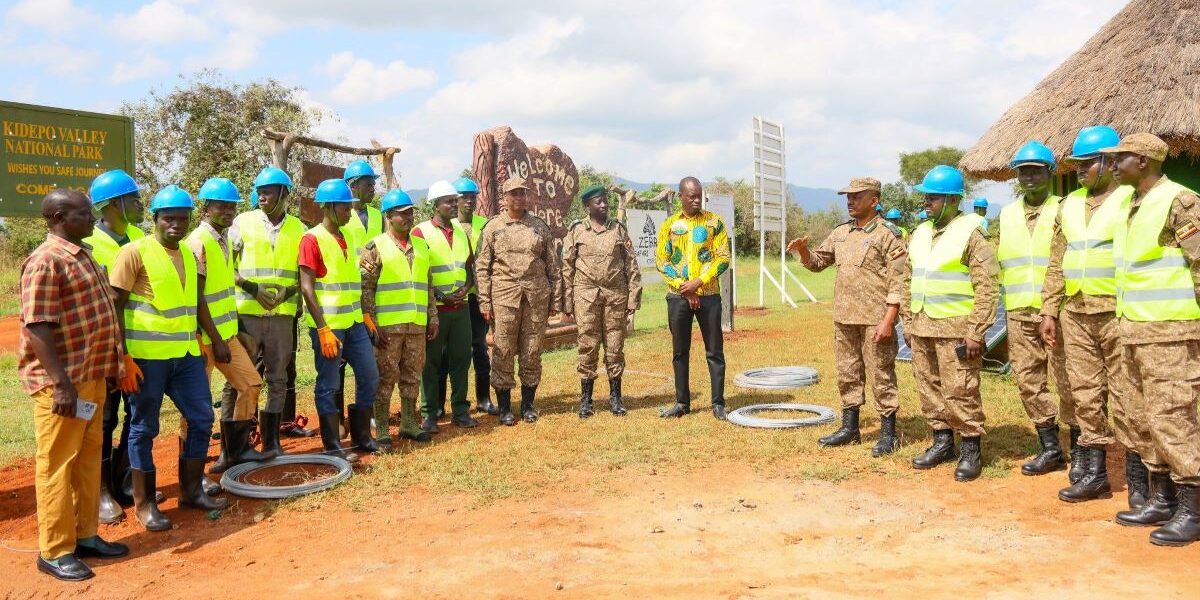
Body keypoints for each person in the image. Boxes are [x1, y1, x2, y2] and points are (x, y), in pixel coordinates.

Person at [21, 188, 130, 581]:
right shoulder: (45, 261)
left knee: (87, 461)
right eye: (84, 214)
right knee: (56, 465)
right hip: (63, 386)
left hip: (93, 377)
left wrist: (112, 367)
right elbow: (38, 327)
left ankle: (85, 535)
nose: (92, 218)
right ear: (59, 217)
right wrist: (61, 384)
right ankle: (54, 550)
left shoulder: (83, 255)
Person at [110, 185, 227, 532]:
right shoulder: (134, 252)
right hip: (146, 359)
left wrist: (214, 340)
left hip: (186, 355)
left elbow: (196, 302)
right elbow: (114, 305)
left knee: (202, 418)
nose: (176, 224)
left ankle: (191, 491)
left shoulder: (190, 255)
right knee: (143, 427)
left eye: (182, 218)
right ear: (155, 219)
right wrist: (122, 357)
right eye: (168, 218)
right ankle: (144, 505)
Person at [1102, 133, 1200, 546]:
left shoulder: (1180, 200)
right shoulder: (1128, 204)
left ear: (1141, 161)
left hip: (1171, 332)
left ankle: (1193, 507)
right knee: (1140, 417)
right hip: (1134, 330)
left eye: (1119, 158)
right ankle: (1162, 498)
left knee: (1173, 417)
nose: (1112, 165)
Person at [1041, 126, 1141, 504]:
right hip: (1077, 312)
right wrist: (1050, 309)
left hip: (1119, 310)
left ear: (1108, 161)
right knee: (1085, 395)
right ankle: (1096, 474)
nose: (1080, 170)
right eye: (1077, 164)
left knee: (1128, 394)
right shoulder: (1068, 205)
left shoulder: (1131, 200)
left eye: (1087, 163)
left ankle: (1138, 477)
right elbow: (1056, 262)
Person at [788, 177, 906, 455]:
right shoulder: (841, 233)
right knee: (847, 373)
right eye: (848, 197)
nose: (850, 201)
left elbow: (900, 279)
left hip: (875, 319)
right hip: (844, 317)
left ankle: (888, 433)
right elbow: (819, 263)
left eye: (856, 196)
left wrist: (890, 318)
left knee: (881, 375)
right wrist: (804, 251)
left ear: (874, 201)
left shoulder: (888, 234)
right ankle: (850, 428)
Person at [901, 165, 999, 482]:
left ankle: (971, 449)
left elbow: (987, 288)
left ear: (953, 200)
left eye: (933, 197)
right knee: (928, 387)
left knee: (961, 390)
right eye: (926, 196)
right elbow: (906, 279)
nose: (926, 202)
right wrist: (907, 321)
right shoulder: (919, 233)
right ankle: (942, 441)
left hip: (956, 329)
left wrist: (976, 332)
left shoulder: (972, 235)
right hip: (921, 325)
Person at [996, 141, 1076, 478]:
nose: (1029, 177)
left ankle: (1083, 450)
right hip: (1018, 309)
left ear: (1050, 173)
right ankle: (1050, 448)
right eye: (1023, 171)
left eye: (1036, 170)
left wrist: (1052, 308)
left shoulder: (1065, 208)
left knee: (1070, 379)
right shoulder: (1007, 213)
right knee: (1028, 380)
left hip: (1059, 309)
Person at [187, 178, 272, 473]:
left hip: (225, 334)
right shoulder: (198, 242)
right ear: (205, 207)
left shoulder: (224, 240)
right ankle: (192, 475)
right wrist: (217, 340)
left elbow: (222, 294)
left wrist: (236, 332)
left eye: (231, 206)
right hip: (202, 340)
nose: (227, 211)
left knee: (250, 383)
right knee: (195, 409)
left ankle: (237, 451)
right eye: (220, 205)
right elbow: (197, 298)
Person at [228, 166, 311, 453]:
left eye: (268, 192)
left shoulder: (299, 229)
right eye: (259, 192)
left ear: (284, 194)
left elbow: (305, 275)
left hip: (282, 317)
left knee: (278, 378)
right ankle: (234, 446)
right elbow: (225, 266)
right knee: (240, 379)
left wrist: (287, 292)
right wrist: (253, 288)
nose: (261, 196)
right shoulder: (242, 222)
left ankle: (272, 443)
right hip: (247, 315)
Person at [298, 178, 380, 460]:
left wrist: (365, 316)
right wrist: (322, 329)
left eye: (350, 207)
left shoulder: (348, 237)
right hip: (329, 327)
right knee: (329, 384)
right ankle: (333, 444)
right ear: (328, 207)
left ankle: (361, 438)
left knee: (369, 376)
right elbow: (307, 288)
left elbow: (352, 282)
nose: (349, 212)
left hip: (354, 323)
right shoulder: (311, 239)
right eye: (344, 208)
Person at [81, 169, 144, 523]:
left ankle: (124, 479)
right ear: (113, 205)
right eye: (133, 198)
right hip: (105, 348)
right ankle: (102, 491)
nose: (139, 203)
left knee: (135, 415)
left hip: (140, 343)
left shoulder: (139, 236)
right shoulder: (90, 243)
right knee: (105, 418)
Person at [476, 176, 561, 425]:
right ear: (505, 197)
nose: (519, 198)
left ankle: (528, 405)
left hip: (536, 297)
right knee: (502, 350)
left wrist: (555, 299)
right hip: (503, 297)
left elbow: (552, 266)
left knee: (532, 350)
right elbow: (482, 267)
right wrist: (484, 301)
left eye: (523, 193)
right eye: (514, 193)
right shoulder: (493, 227)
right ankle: (504, 408)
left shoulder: (539, 227)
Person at [361, 189, 438, 450]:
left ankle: (408, 423)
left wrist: (432, 317)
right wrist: (372, 325)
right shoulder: (375, 246)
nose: (408, 218)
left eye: (410, 213)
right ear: (388, 217)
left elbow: (428, 284)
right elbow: (366, 289)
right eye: (401, 214)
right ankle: (382, 428)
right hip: (387, 328)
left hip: (416, 324)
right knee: (385, 376)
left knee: (412, 375)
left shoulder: (421, 246)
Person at [561, 184, 642, 418]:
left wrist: (632, 301)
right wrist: (568, 302)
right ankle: (586, 400)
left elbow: (631, 266)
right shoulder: (576, 231)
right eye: (599, 201)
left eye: (605, 200)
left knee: (615, 347)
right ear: (588, 206)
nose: (604, 205)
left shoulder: (618, 230)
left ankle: (615, 397)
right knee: (587, 346)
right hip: (585, 297)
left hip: (615, 296)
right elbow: (566, 268)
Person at [655, 177, 732, 420]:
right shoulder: (669, 225)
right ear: (681, 196)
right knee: (680, 351)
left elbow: (722, 259)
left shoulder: (714, 223)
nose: (696, 199)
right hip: (678, 297)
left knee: (714, 351)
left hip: (708, 295)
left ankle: (718, 403)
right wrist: (684, 288)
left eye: (699, 195)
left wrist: (698, 284)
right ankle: (682, 403)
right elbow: (662, 261)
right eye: (691, 196)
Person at [412, 180, 476, 431]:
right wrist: (439, 294)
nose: (454, 204)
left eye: (455, 200)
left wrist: (466, 287)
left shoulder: (461, 232)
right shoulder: (420, 232)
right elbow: (419, 271)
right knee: (430, 363)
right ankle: (429, 414)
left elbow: (469, 268)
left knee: (461, 360)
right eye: (449, 201)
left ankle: (461, 410)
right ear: (435, 205)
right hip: (435, 310)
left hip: (460, 310)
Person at [446, 176, 496, 415]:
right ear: (454, 200)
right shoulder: (447, 225)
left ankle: (484, 398)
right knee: (454, 351)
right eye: (463, 197)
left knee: (479, 346)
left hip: (479, 296)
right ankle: (452, 401)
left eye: (472, 196)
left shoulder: (484, 224)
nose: (468, 201)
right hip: (455, 297)